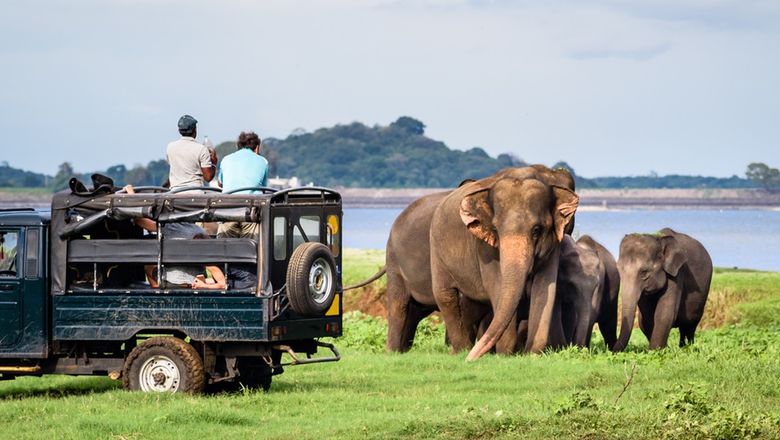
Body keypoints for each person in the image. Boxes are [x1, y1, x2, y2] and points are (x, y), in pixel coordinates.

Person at [123, 185, 226, 289]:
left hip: (171, 282)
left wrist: (131, 193)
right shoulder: (200, 231)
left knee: (148, 266)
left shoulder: (169, 227)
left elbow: (139, 220)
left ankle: (156, 288)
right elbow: (217, 274)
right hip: (196, 281)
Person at [216, 131, 268, 239]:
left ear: (238, 146)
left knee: (224, 249)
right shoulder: (263, 161)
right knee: (252, 249)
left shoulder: (226, 159)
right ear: (257, 147)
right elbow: (263, 188)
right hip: (251, 211)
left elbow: (220, 183)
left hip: (227, 210)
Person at [166, 114, 218, 192]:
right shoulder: (201, 149)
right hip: (195, 194)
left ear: (179, 130)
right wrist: (213, 163)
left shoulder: (170, 147)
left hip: (175, 193)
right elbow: (208, 178)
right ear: (195, 130)